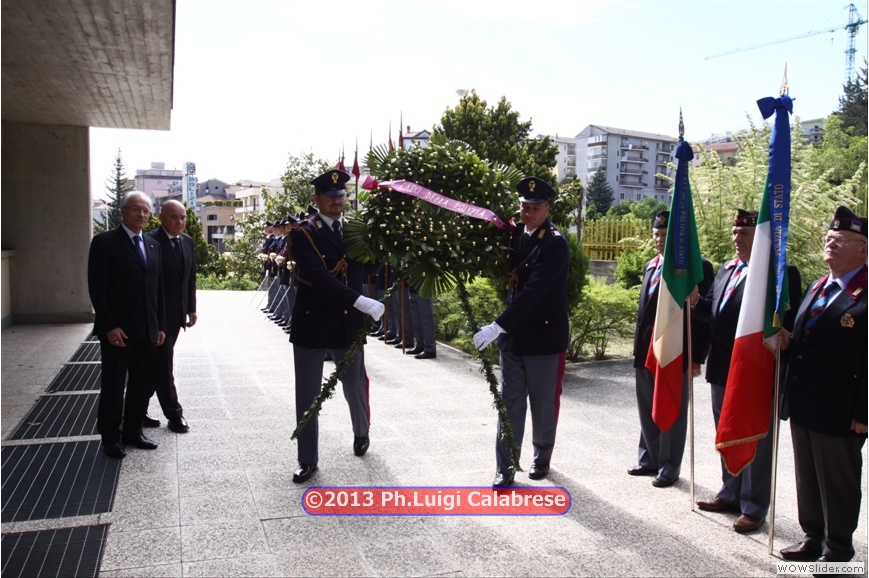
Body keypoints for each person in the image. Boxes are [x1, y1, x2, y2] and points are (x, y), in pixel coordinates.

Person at [692, 209, 801, 533]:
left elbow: (790, 323)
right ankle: (730, 492)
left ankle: (754, 506)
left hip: (756, 370)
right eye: (735, 233)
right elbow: (713, 311)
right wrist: (694, 301)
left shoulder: (780, 274)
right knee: (727, 429)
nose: (737, 239)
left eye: (745, 233)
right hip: (723, 366)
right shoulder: (727, 269)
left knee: (755, 435)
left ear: (762, 237)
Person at [778, 206, 867, 563]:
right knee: (808, 477)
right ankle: (812, 538)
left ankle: (838, 550)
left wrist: (864, 412)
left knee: (837, 482)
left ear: (863, 250)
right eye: (829, 238)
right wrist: (789, 341)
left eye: (840, 239)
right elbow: (809, 341)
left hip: (840, 410)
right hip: (804, 401)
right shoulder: (817, 286)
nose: (830, 243)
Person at [288, 169, 385, 483]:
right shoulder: (304, 233)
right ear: (317, 199)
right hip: (313, 322)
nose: (336, 201)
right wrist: (360, 301)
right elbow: (318, 277)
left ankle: (361, 432)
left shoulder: (355, 230)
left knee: (354, 383)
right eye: (330, 197)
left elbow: (370, 268)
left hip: (347, 324)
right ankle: (307, 459)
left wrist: (384, 243)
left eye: (340, 196)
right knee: (308, 394)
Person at [473, 176, 569, 487]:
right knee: (509, 403)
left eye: (535, 208)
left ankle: (542, 456)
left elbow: (533, 292)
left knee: (542, 403)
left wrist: (496, 326)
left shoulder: (554, 243)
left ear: (547, 208)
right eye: (524, 207)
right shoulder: (515, 235)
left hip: (543, 338)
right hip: (513, 339)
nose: (528, 213)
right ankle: (506, 466)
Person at [627, 210, 712, 488]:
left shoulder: (697, 267)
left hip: (676, 351)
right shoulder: (651, 265)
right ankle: (649, 459)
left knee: (671, 406)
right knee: (646, 405)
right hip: (646, 348)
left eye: (665, 234)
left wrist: (696, 357)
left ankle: (669, 465)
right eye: (656, 234)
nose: (660, 239)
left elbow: (702, 319)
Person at [87, 191, 165, 458]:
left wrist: (160, 325)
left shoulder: (153, 245)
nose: (141, 215)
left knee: (141, 384)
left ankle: (133, 431)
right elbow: (98, 289)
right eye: (135, 209)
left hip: (147, 329)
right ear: (123, 212)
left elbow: (157, 290)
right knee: (114, 384)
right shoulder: (104, 243)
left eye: (145, 211)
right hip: (117, 331)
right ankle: (110, 436)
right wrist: (109, 326)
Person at [143, 200, 197, 434]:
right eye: (174, 217)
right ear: (161, 217)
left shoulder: (187, 241)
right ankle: (174, 414)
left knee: (155, 365)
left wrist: (191, 307)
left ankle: (135, 409)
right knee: (163, 365)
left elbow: (190, 278)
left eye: (183, 217)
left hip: (176, 316)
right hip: (155, 317)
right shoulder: (150, 241)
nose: (179, 222)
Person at [407, 284, 437, 359]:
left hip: (424, 286)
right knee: (416, 319)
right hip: (412, 285)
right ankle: (420, 344)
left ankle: (430, 348)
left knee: (426, 318)